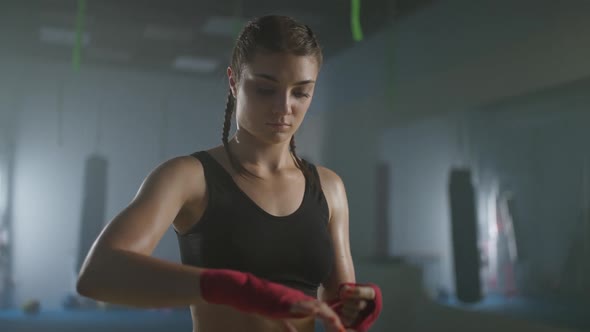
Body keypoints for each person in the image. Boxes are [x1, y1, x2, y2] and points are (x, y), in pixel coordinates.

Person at [76, 15, 382, 332]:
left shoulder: (329, 188)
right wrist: (228, 288)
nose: (284, 107)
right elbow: (97, 274)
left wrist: (354, 308)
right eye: (266, 89)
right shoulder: (188, 178)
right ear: (234, 81)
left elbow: (337, 305)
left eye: (301, 92)